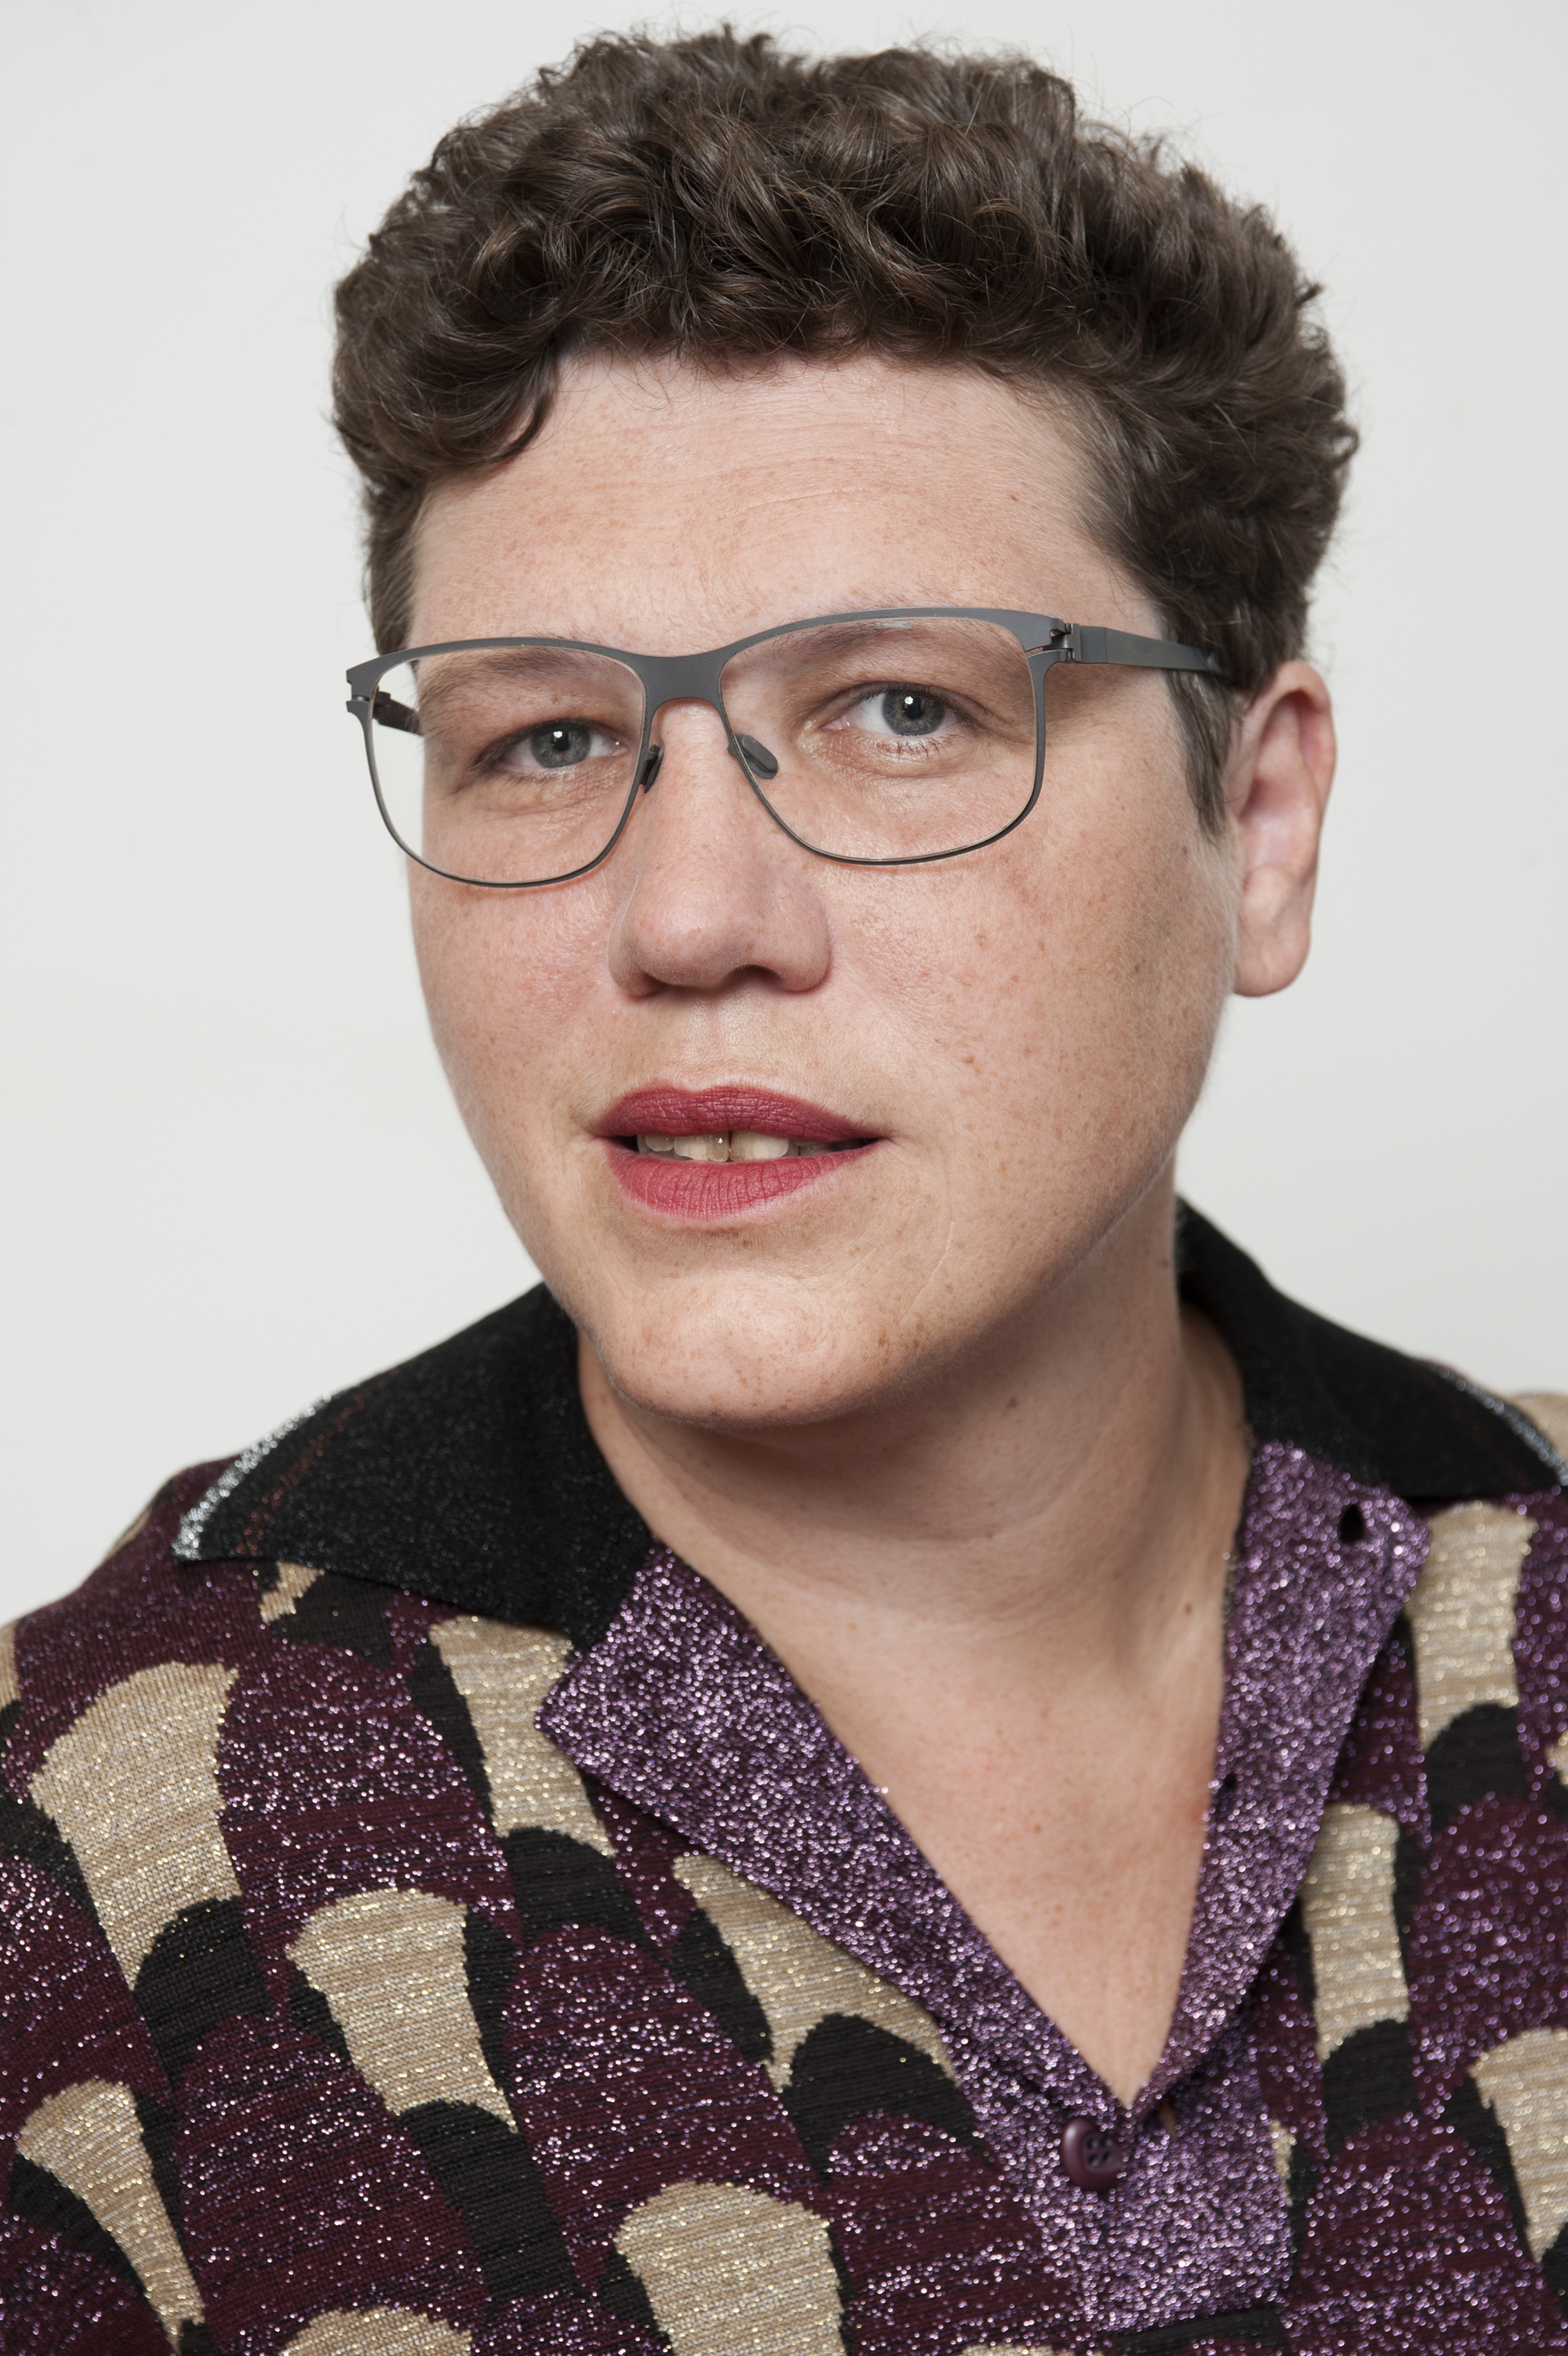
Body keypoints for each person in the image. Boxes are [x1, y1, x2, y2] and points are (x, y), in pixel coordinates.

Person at [3, 27, 1564, 2354]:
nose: (687, 915)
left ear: (1256, 826)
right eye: (547, 738)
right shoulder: (92, 1862)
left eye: (901, 710)